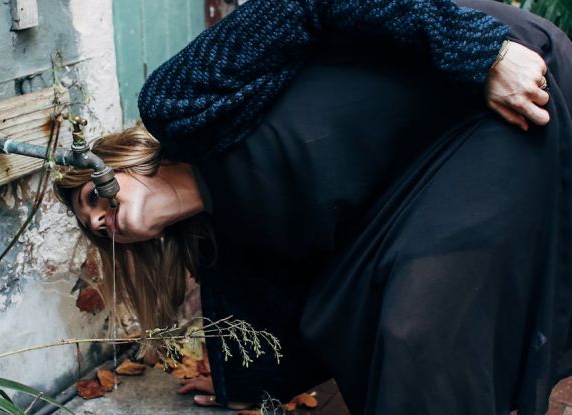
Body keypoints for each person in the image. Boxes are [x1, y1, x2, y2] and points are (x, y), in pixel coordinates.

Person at [56, 0, 572, 413]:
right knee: (366, 321)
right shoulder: (224, 241)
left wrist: (482, 52)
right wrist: (248, 385)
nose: (102, 221)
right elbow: (277, 316)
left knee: (418, 332)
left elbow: (310, 3)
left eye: (90, 200)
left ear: (116, 165)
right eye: (96, 229)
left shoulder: (179, 105)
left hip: (480, 84)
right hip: (427, 170)